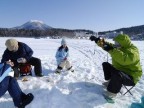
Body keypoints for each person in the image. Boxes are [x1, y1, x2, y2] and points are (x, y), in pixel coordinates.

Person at [90, 34, 142, 98]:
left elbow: (124, 60)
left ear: (123, 42)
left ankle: (111, 94)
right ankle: (110, 82)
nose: (116, 44)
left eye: (117, 43)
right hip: (121, 72)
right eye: (115, 42)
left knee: (118, 75)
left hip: (131, 77)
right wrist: (97, 40)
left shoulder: (133, 51)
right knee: (105, 64)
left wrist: (111, 50)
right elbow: (107, 45)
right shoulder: (119, 47)